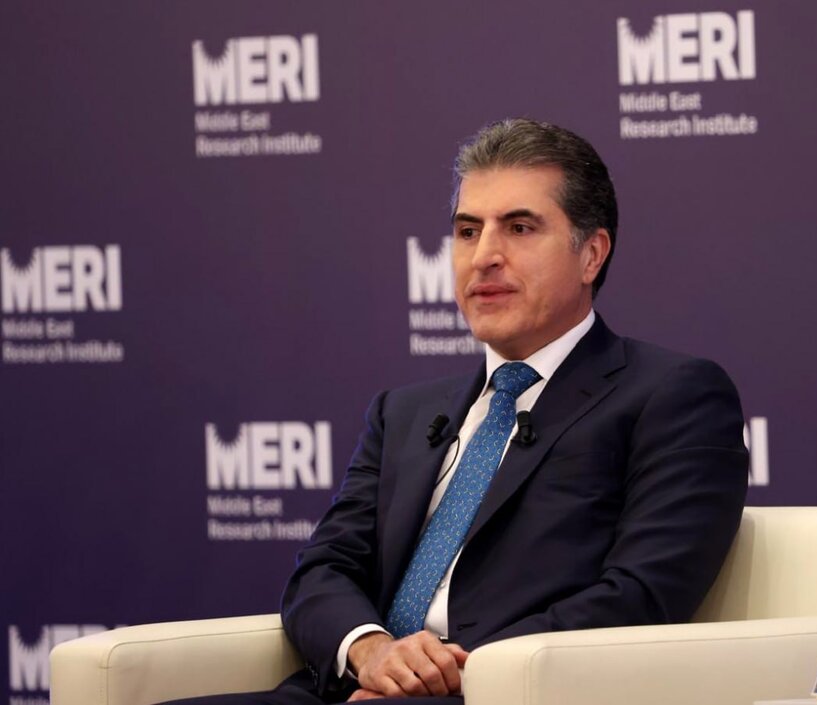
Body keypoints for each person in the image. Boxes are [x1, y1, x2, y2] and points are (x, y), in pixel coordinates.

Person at [162, 118, 748, 705]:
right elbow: (323, 570)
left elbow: (640, 598)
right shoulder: (404, 413)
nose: (484, 256)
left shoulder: (672, 396)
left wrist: (443, 678)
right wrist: (373, 651)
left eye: (519, 228)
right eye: (468, 231)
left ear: (591, 254)